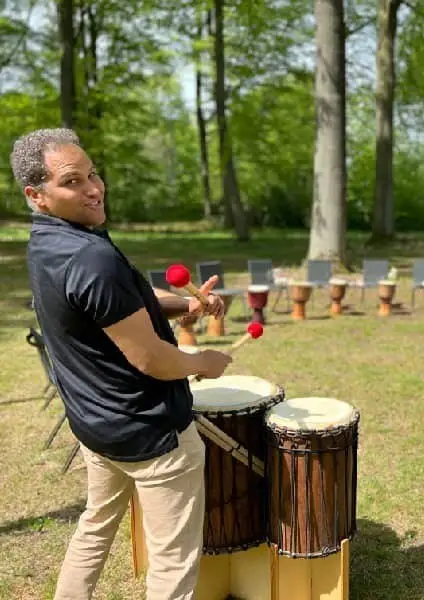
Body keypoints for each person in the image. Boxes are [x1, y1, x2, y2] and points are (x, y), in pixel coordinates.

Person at [11, 128, 234, 599]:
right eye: (72, 181)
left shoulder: (49, 243)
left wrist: (182, 306)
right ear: (37, 195)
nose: (93, 188)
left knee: (93, 529)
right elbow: (152, 358)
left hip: (96, 427)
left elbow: (113, 304)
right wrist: (204, 362)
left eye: (93, 174)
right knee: (172, 567)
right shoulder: (91, 256)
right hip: (150, 434)